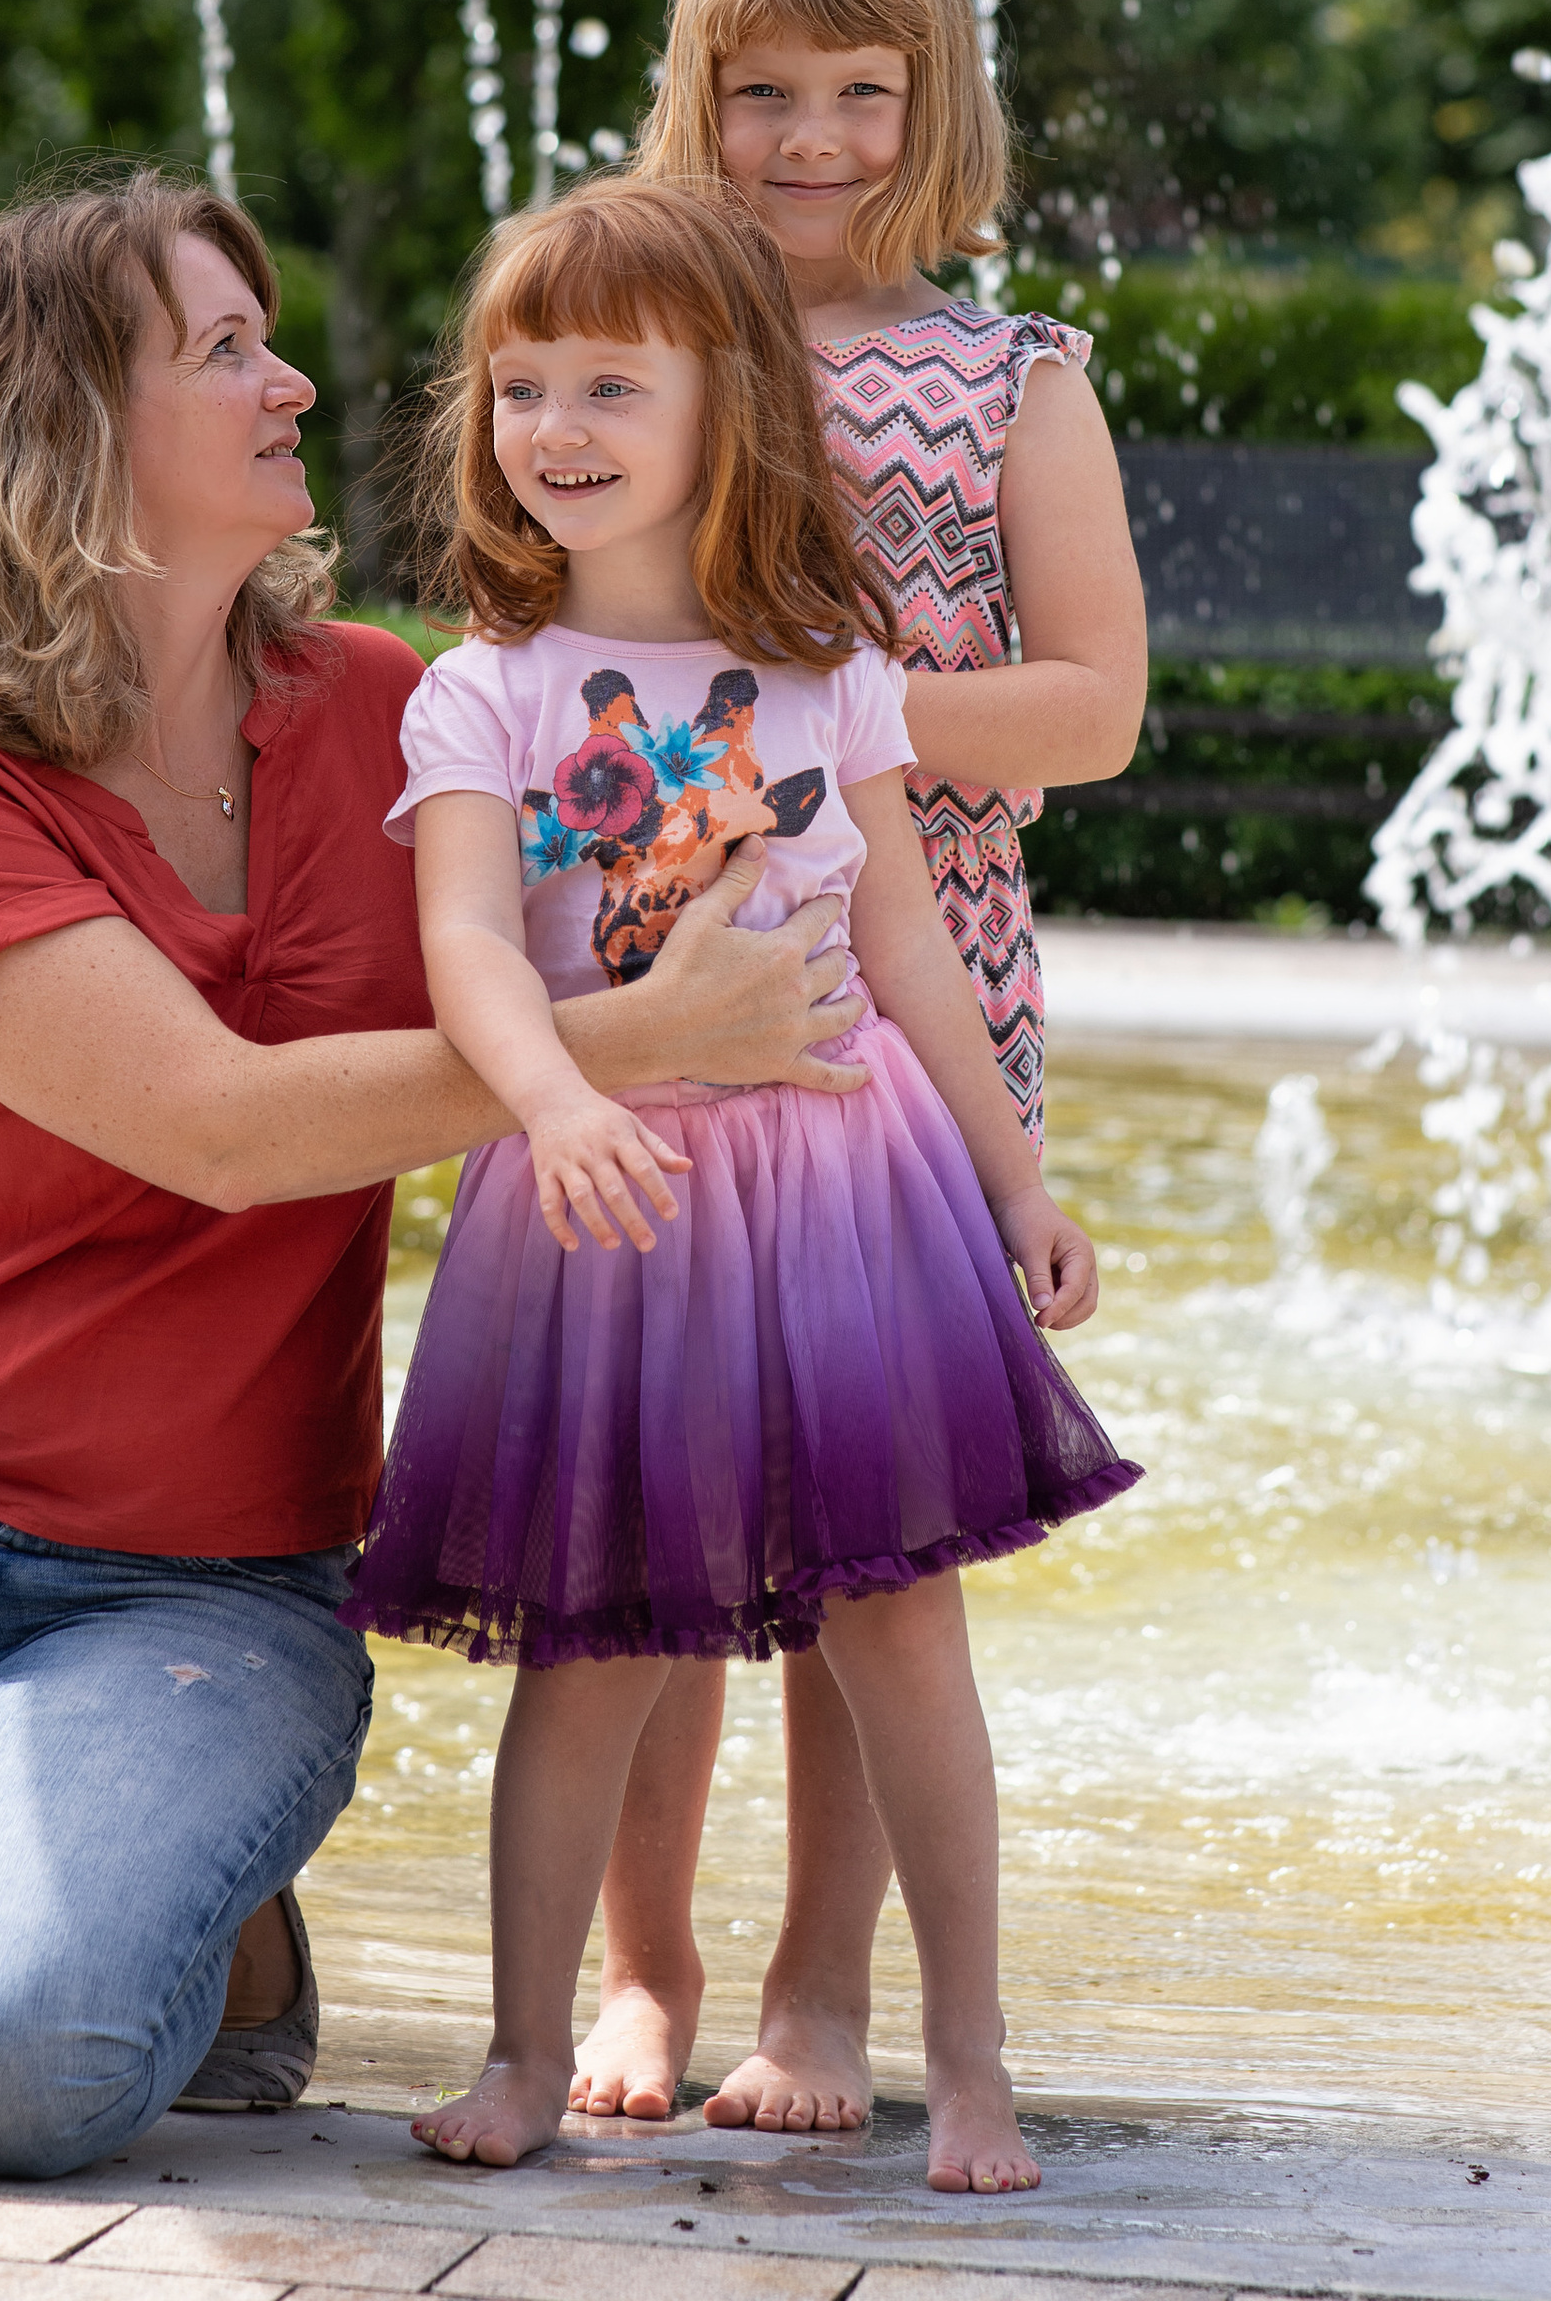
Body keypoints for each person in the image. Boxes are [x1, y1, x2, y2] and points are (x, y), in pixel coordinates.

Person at [0, 168, 864, 2182]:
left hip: (205, 1577)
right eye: (219, 349)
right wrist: (618, 1053)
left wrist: (924, 1048)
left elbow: (724, 788)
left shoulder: (397, 716)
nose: (288, 381)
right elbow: (205, 1122)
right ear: (66, 433)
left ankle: (165, 1864)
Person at [341, 180, 1139, 2194]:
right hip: (604, 1207)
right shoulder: (487, 689)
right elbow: (463, 950)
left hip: (843, 1200)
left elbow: (906, 951)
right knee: (594, 1640)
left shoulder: (827, 668)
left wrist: (1011, 1183)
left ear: (729, 410)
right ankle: (534, 2043)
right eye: (521, 383)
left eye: (611, 378)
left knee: (895, 1635)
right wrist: (554, 1102)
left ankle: (962, 2059)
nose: (556, 421)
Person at [582, 0, 1150, 2133]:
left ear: (938, 104)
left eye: (859, 90)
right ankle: (639, 1970)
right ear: (691, 96)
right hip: (645, 972)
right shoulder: (630, 333)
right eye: (761, 92)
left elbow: (1095, 705)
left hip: (922, 999)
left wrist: (856, 715)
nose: (809, 142)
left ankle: (817, 1995)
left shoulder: (1008, 380)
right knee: (639, 1498)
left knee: (856, 1528)